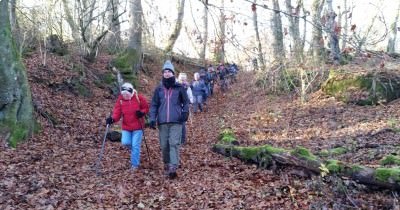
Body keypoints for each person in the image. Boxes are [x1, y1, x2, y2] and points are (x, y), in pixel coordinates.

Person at [149, 60, 190, 179]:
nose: (167, 73)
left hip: (176, 121)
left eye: (169, 71)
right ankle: (167, 163)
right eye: (165, 72)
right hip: (162, 121)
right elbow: (154, 104)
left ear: (173, 73)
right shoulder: (159, 89)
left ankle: (173, 166)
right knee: (164, 145)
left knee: (173, 143)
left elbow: (186, 102)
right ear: (163, 74)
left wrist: (185, 112)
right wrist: (152, 118)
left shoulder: (179, 87)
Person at [106, 82, 149, 170]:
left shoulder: (138, 97)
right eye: (124, 94)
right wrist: (112, 119)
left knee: (135, 145)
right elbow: (117, 112)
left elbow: (146, 107)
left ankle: (134, 165)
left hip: (138, 126)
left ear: (131, 92)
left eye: (127, 94)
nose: (125, 96)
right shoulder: (120, 100)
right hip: (126, 126)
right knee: (125, 142)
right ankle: (135, 152)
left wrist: (141, 113)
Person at [177, 73, 194, 145]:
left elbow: (191, 97)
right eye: (181, 79)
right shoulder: (175, 86)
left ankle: (182, 140)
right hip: (175, 107)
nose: (182, 81)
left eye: (184, 79)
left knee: (182, 124)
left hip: (184, 108)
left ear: (186, 80)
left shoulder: (188, 87)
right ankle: (176, 139)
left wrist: (190, 101)